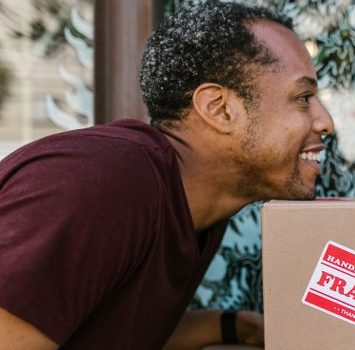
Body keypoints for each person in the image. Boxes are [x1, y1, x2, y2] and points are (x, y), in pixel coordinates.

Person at [0, 1, 333, 349]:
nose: (326, 122)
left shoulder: (194, 203)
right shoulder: (104, 182)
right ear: (219, 109)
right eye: (303, 97)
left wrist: (241, 327)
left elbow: (107, 329)